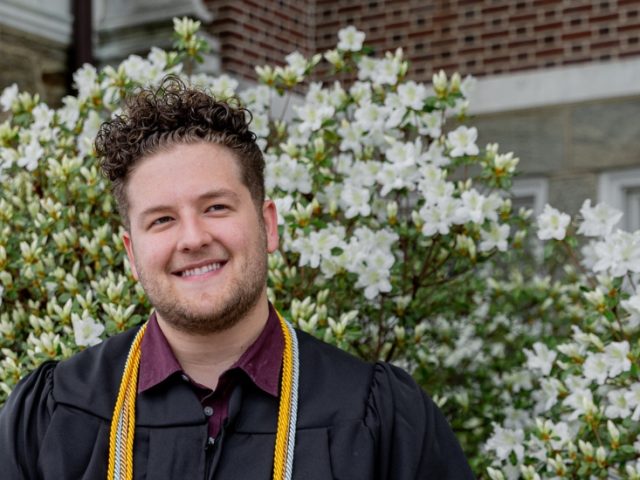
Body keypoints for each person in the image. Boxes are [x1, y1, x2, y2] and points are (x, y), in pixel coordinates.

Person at [0, 76, 474, 479]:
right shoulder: (54, 413)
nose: (192, 237)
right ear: (131, 252)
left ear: (267, 225)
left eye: (216, 207)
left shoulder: (380, 416)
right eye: (161, 220)